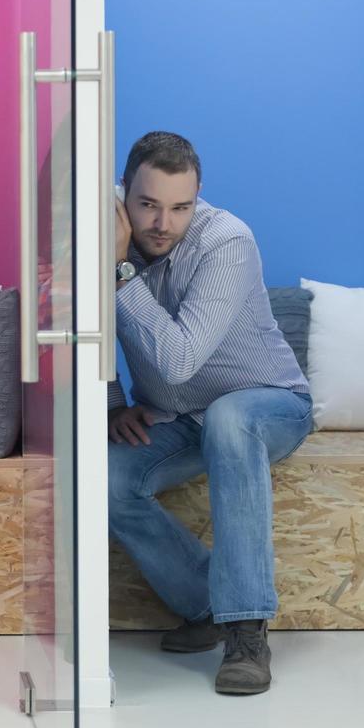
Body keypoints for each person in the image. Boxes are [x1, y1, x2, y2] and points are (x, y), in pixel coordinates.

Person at [107, 132, 312, 697]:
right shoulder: (102, 225)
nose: (163, 224)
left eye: (180, 207)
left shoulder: (227, 241)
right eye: (147, 205)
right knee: (103, 480)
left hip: (269, 405)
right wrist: (111, 405)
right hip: (179, 417)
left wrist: (119, 270)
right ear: (124, 194)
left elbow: (177, 360)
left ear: (198, 199)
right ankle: (207, 604)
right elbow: (82, 326)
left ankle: (247, 628)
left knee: (230, 417)